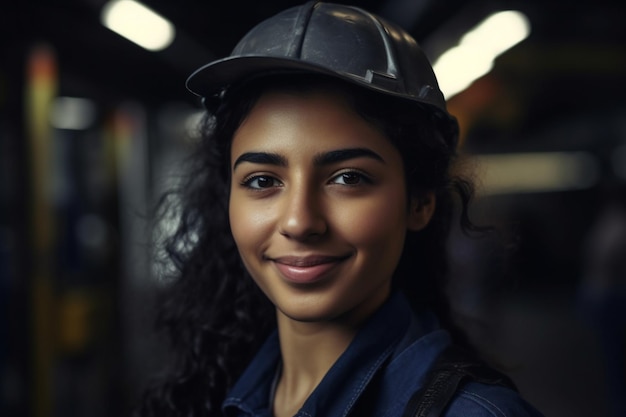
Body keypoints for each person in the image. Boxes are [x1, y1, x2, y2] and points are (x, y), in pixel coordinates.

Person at [136, 2, 545, 416]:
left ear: (420, 201)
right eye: (262, 181)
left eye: (348, 178)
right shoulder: (213, 391)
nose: (299, 222)